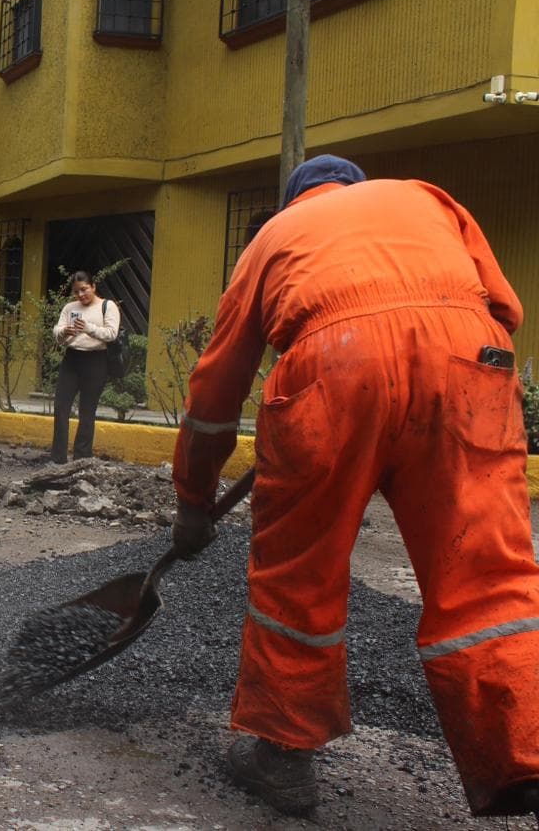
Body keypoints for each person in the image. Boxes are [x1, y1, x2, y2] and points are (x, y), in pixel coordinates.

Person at [170, 155, 539, 819]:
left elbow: (215, 390)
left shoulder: (274, 239)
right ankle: (527, 756)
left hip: (333, 367)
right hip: (468, 364)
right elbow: (504, 309)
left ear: (295, 200)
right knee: (489, 575)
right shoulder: (428, 198)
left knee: (300, 572)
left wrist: (193, 502)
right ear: (358, 190)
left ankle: (282, 756)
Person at [49, 271, 117, 463]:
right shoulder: (70, 307)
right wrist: (64, 331)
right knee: (61, 406)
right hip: (72, 358)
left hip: (96, 360)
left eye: (84, 290)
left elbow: (111, 333)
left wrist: (88, 328)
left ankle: (82, 457)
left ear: (93, 286)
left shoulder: (107, 306)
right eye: (76, 291)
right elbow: (56, 331)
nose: (80, 295)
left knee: (87, 410)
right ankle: (58, 457)